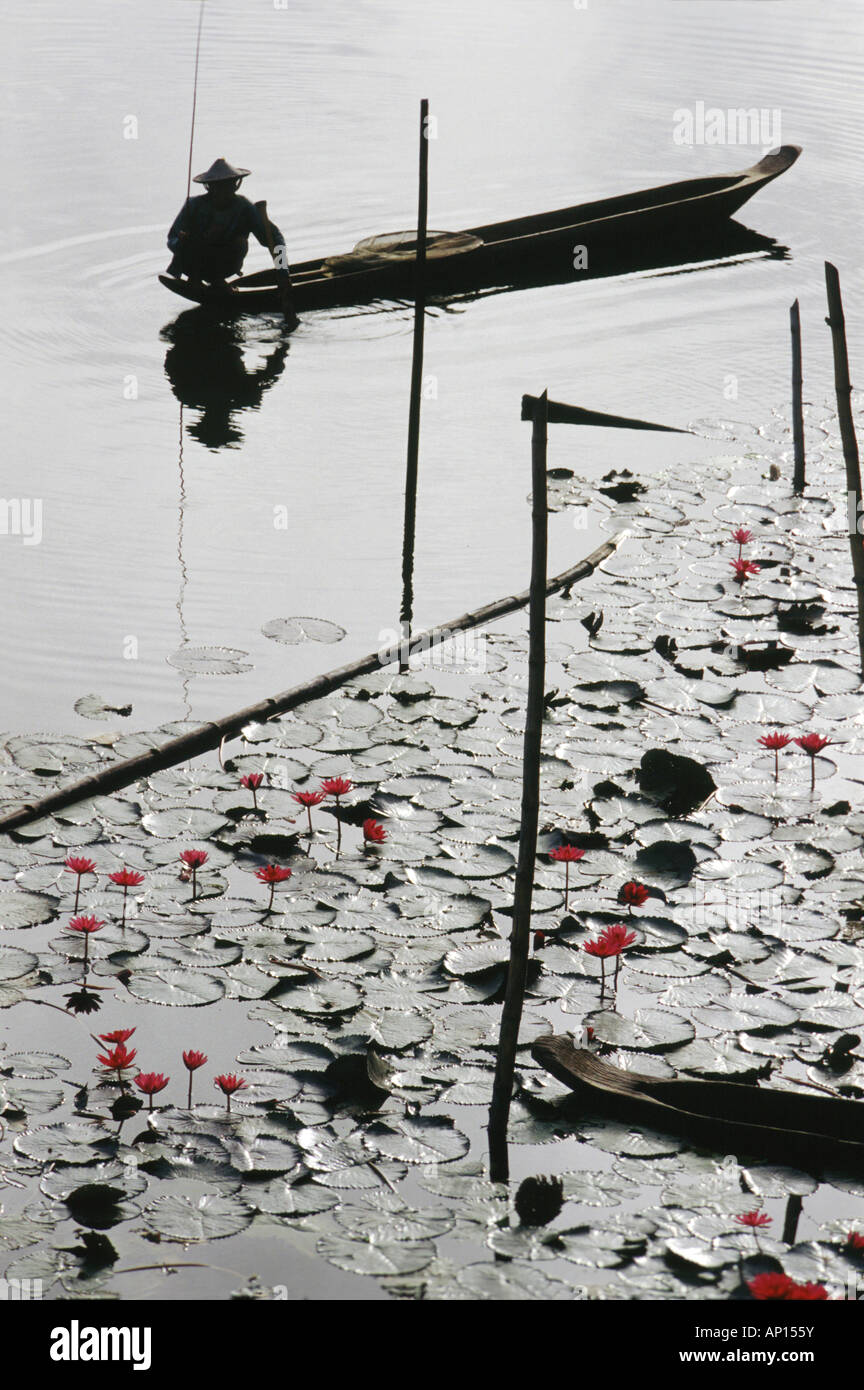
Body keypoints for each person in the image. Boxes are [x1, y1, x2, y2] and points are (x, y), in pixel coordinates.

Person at [166, 158, 297, 321]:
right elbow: (171, 239)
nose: (224, 191)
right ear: (210, 187)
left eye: (228, 185)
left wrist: (283, 273)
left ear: (236, 185)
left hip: (226, 263)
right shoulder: (194, 206)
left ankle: (218, 282)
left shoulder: (244, 208)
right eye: (219, 186)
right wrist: (181, 241)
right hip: (194, 264)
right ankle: (198, 281)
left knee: (239, 243)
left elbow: (275, 238)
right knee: (192, 240)